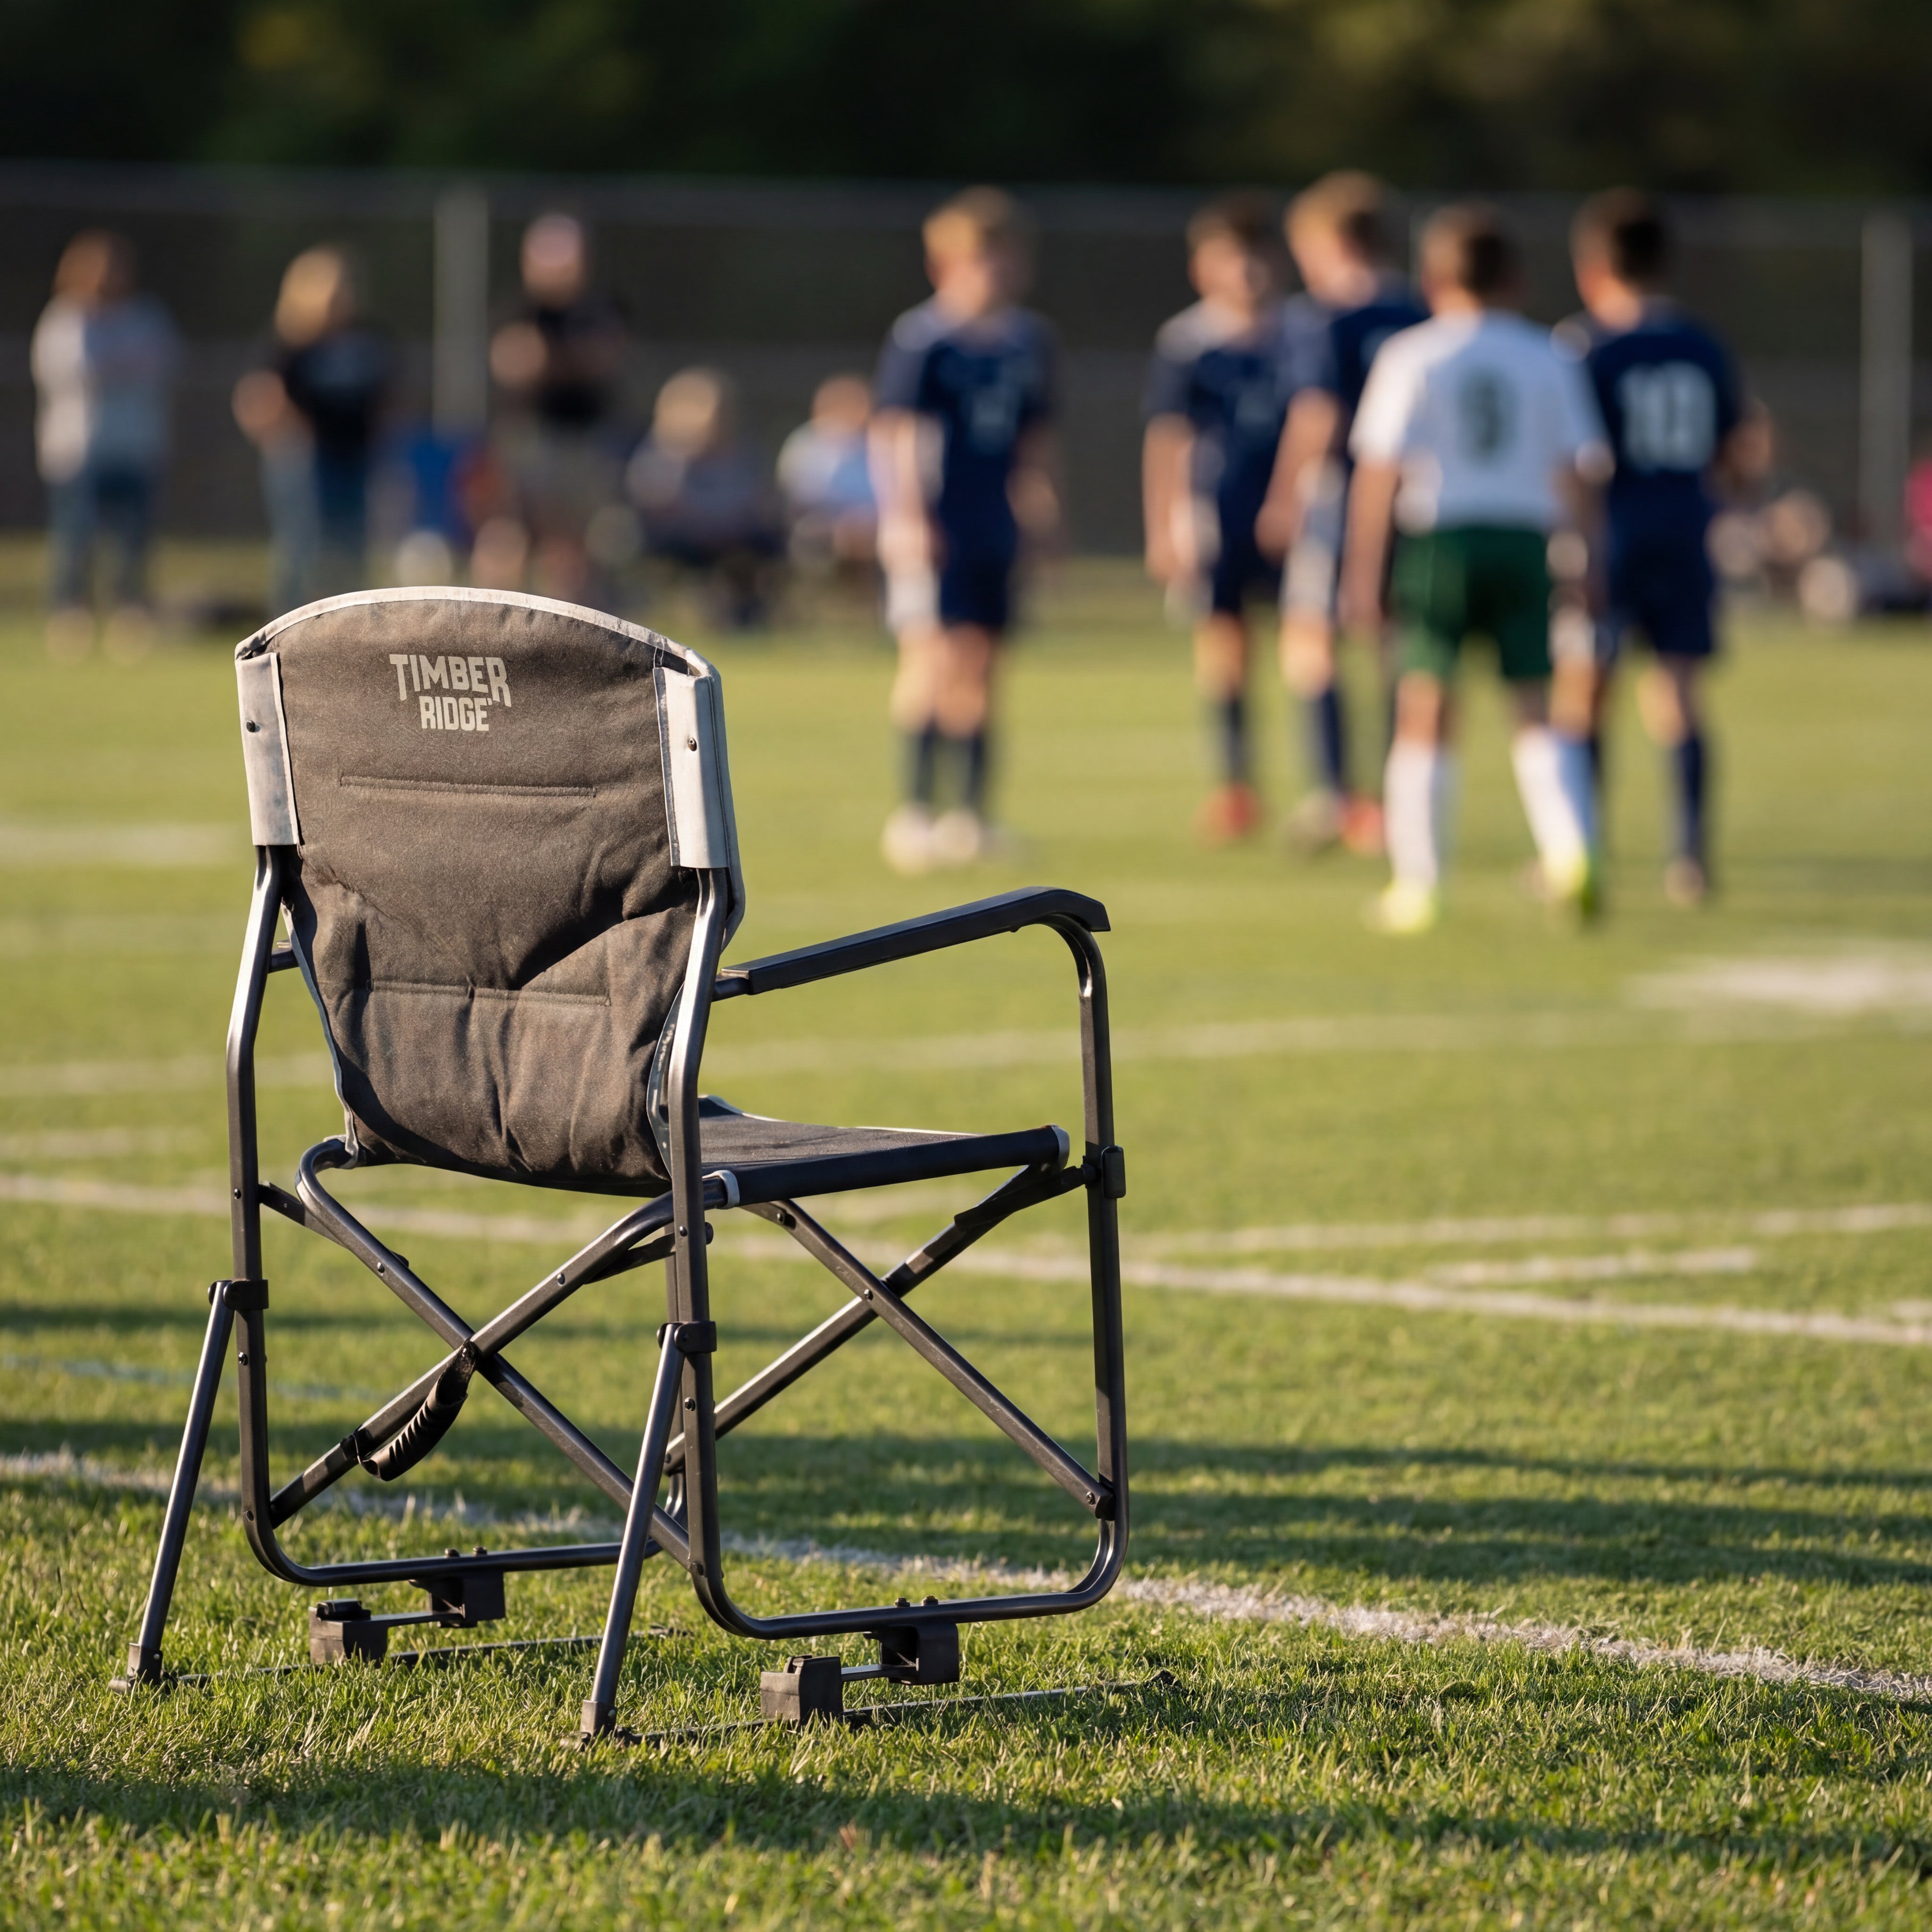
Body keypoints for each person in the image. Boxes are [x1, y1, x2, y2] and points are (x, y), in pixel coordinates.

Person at [1342, 204, 1608, 935]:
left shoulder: (1414, 354)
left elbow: (1379, 471)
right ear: (1517, 279)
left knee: (1425, 709)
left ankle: (1419, 885)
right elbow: (1580, 469)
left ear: (1432, 279)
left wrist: (1363, 572)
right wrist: (1588, 556)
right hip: (1526, 540)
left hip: (1444, 543)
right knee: (1536, 708)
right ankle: (1572, 852)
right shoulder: (1550, 354)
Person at [1561, 190, 1751, 907]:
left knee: (1587, 691)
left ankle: (1582, 847)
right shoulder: (1701, 344)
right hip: (1685, 526)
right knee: (1677, 693)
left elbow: (1574, 459)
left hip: (1611, 532)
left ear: (1593, 268)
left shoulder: (1584, 347)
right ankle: (1690, 856)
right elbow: (1737, 454)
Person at [871, 188, 1061, 873]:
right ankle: (915, 812)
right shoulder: (923, 339)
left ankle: (970, 817)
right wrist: (908, 519)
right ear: (944, 264)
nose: (997, 272)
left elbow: (1033, 442)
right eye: (982, 259)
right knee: (930, 659)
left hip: (992, 523)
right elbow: (893, 434)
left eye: (1006, 258)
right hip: (937, 524)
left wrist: (1041, 515)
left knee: (983, 665)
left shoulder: (1027, 342)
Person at [1258, 172, 1429, 854]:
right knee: (1394, 645)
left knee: (1311, 642)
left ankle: (1337, 796)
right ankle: (1392, 802)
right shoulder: (1420, 309)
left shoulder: (1319, 315)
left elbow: (1318, 412)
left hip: (1339, 494)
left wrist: (1283, 495)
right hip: (1412, 494)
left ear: (1330, 241)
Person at [1141, 194, 1293, 844]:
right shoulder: (1189, 343)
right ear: (1204, 267)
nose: (1248, 272)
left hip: (1292, 515)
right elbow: (1168, 440)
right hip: (1219, 516)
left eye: (1258, 256)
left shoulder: (1299, 333)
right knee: (1225, 649)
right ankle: (1237, 787)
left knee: (1313, 648)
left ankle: (1339, 792)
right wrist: (1164, 526)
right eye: (1233, 258)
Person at [31, 231, 178, 658]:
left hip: (137, 446)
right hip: (78, 451)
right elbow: (72, 371)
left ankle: (129, 615)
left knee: (134, 541)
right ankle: (70, 614)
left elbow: (159, 364)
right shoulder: (65, 319)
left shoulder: (146, 316)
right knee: (75, 540)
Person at [233, 247, 391, 616]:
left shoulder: (367, 338)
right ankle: (289, 623)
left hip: (354, 456)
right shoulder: (286, 344)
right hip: (306, 461)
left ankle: (348, 626)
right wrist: (288, 433)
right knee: (302, 547)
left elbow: (388, 395)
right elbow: (256, 397)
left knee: (351, 547)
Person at [486, 213, 628, 605]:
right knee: (510, 533)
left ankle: (568, 629)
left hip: (583, 441)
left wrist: (553, 359)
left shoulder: (599, 309)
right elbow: (514, 365)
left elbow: (601, 359)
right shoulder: (518, 310)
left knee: (574, 544)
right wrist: (567, 360)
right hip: (530, 439)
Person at [627, 366, 783, 626]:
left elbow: (756, 499)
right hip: (681, 537)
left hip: (735, 535)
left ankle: (747, 615)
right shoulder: (662, 457)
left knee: (762, 546)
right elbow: (658, 505)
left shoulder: (742, 454)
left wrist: (730, 523)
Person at [777, 373, 877, 571]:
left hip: (874, 527)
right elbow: (799, 500)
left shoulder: (878, 443)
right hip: (822, 527)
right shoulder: (805, 447)